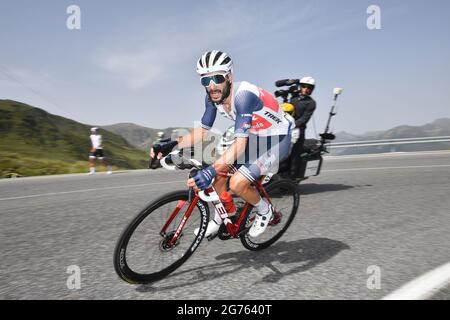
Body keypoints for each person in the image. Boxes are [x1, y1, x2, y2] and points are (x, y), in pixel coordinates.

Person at [150, 50, 293, 238]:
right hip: (255, 136)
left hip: (277, 138)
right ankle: (224, 214)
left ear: (229, 77)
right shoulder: (211, 97)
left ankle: (265, 210)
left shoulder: (243, 97)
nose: (211, 86)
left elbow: (240, 144)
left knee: (237, 183)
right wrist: (172, 143)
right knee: (219, 178)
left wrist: (211, 170)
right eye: (205, 80)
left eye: (217, 78)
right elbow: (201, 131)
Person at [288, 77, 317, 179]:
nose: (305, 89)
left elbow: (304, 119)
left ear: (312, 89)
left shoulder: (311, 103)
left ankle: (292, 179)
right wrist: (295, 80)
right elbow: (277, 83)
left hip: (298, 131)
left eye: (309, 87)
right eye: (303, 86)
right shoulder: (294, 97)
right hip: (284, 128)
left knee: (295, 155)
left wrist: (291, 125)